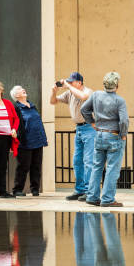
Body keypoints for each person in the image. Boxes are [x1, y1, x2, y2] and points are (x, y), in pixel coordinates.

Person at [81, 72, 129, 207]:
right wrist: (123, 134)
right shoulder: (119, 100)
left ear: (104, 84)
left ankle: (92, 197)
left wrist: (91, 123)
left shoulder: (96, 95)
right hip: (114, 135)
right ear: (117, 85)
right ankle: (107, 199)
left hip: (99, 134)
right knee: (112, 169)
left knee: (97, 167)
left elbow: (84, 109)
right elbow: (124, 120)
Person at [50, 72, 94, 202]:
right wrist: (54, 91)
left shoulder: (87, 91)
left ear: (79, 82)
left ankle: (89, 191)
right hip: (79, 129)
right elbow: (53, 102)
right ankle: (79, 189)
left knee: (89, 161)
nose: (68, 83)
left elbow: (84, 96)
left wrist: (68, 86)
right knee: (77, 161)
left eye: (71, 81)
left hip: (90, 128)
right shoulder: (70, 93)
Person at [10, 85, 48, 197]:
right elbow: (15, 125)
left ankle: (35, 189)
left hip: (37, 140)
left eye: (22, 89)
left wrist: (43, 136)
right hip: (25, 141)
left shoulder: (32, 106)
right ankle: (17, 189)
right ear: (16, 96)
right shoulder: (16, 108)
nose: (23, 89)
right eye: (20, 90)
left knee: (36, 165)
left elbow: (38, 122)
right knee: (23, 166)